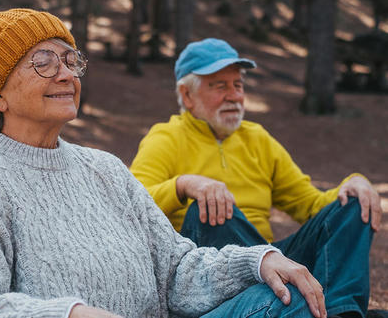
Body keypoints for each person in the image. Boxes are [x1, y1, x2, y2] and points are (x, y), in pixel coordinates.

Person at [0, 10, 328, 318]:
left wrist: (257, 260)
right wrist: (70, 313)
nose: (65, 75)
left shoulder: (105, 169)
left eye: (70, 60)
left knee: (284, 296)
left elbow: (176, 271)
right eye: (43, 62)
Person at [130, 38, 383, 318]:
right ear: (187, 95)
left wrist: (354, 183)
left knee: (352, 205)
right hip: (214, 270)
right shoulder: (166, 137)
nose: (233, 95)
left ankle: (339, 312)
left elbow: (309, 203)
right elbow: (132, 203)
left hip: (270, 260)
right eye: (220, 86)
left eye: (238, 85)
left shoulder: (258, 139)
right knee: (210, 209)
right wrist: (184, 184)